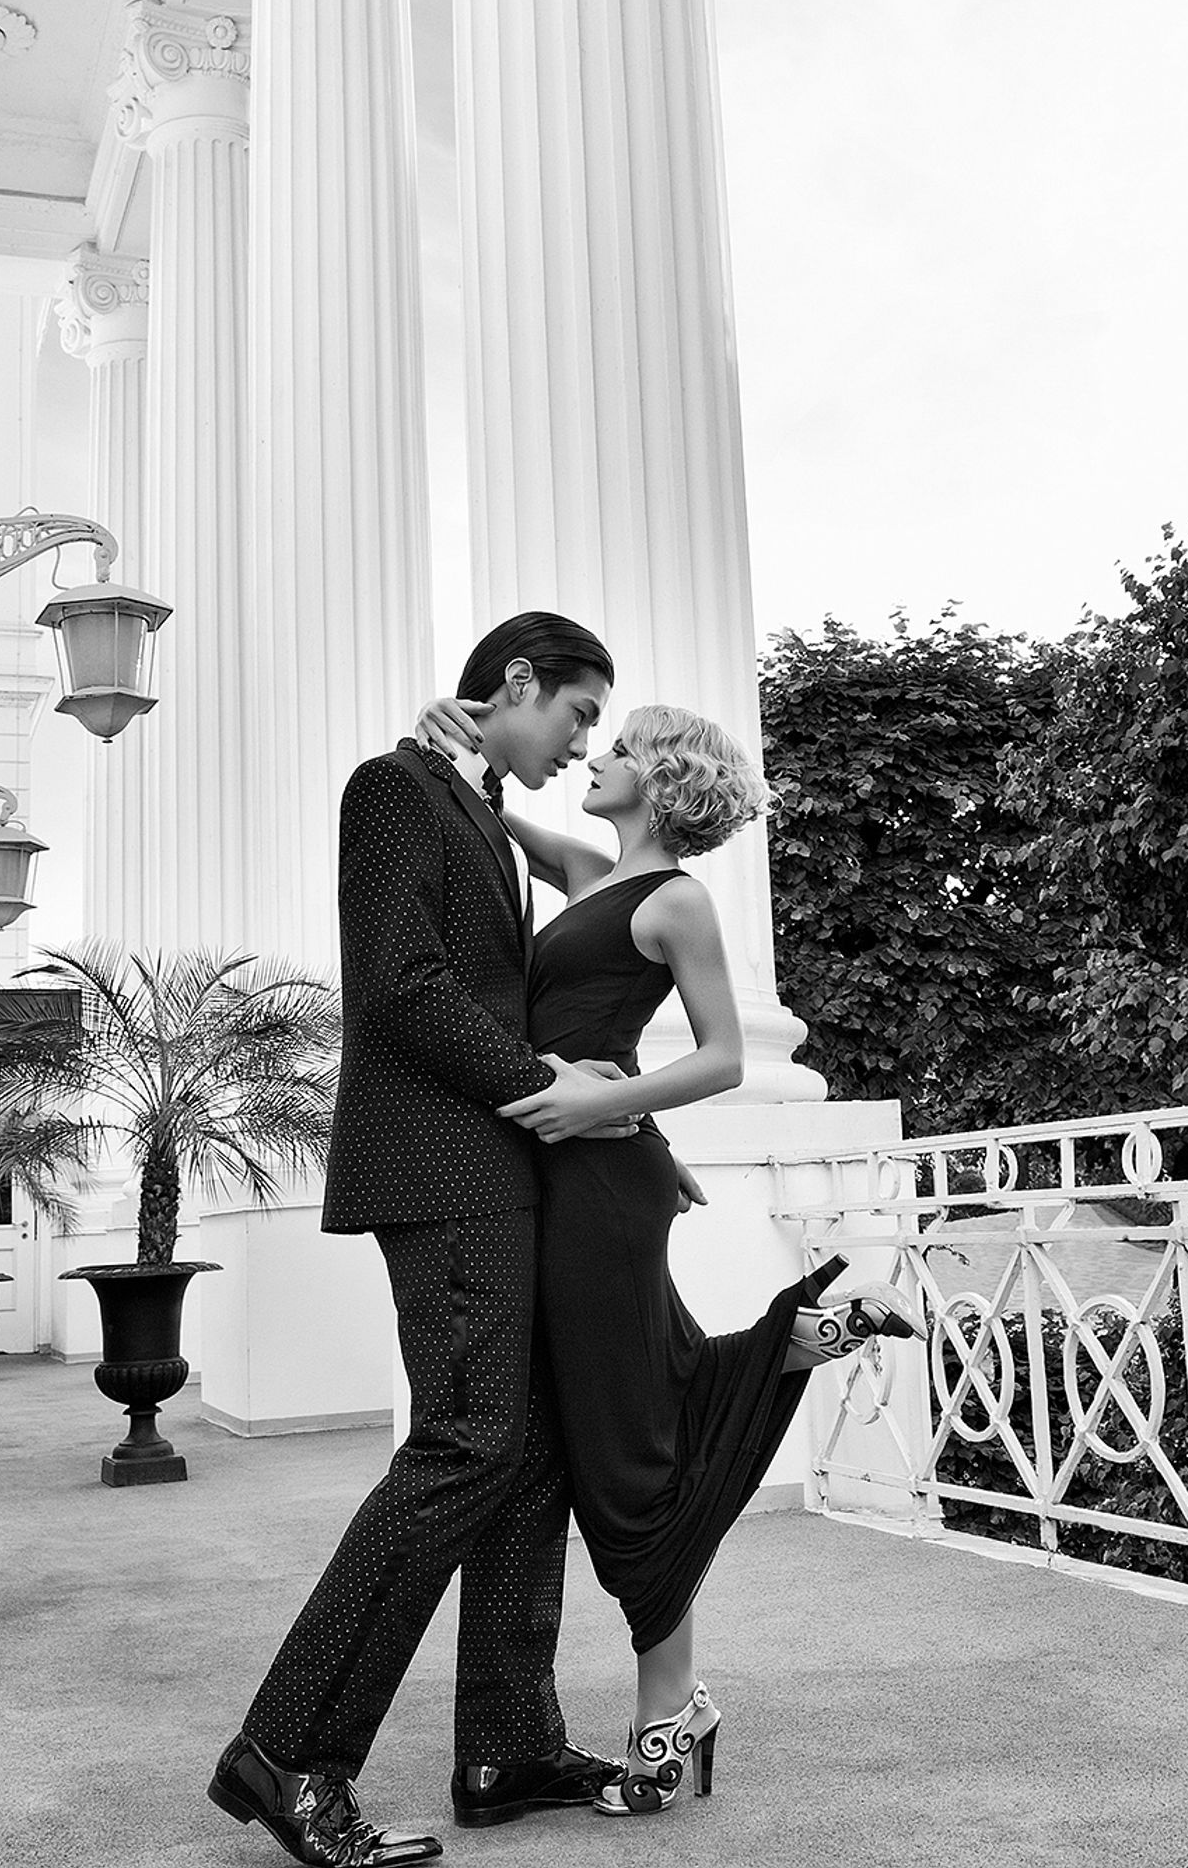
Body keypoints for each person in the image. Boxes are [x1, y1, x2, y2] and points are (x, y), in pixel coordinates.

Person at [417, 692, 924, 1818]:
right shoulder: (593, 873)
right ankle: (803, 1337)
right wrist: (438, 733)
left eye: (624, 747)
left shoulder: (678, 901)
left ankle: (666, 1717)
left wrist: (594, 1108)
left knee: (627, 1455)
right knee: (645, 1408)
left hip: (594, 1181)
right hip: (584, 1172)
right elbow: (484, 806)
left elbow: (724, 1056)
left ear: (664, 778)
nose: (596, 755)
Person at [210, 613, 639, 1868]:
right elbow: (398, 987)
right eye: (577, 713)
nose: (581, 742)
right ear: (518, 681)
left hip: (499, 1170)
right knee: (464, 1444)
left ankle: (506, 1743)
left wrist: (490, 788)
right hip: (443, 1170)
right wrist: (545, 1079)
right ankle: (290, 1754)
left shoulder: (470, 801)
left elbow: (601, 886)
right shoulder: (390, 788)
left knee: (529, 1447)